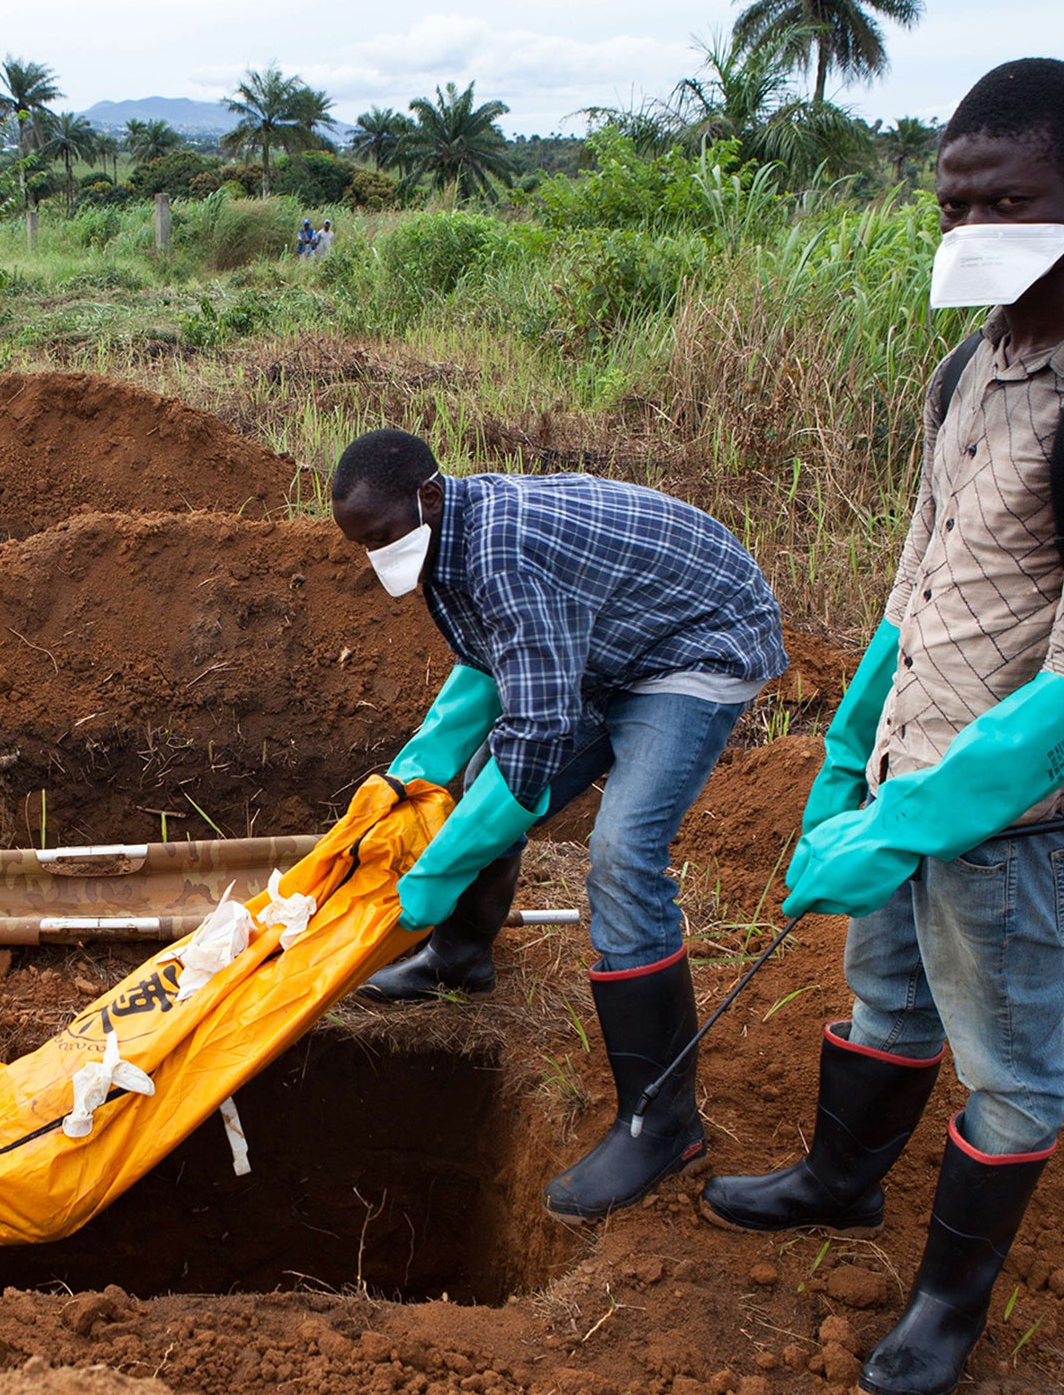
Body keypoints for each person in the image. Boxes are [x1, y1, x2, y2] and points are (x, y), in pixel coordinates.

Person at [701, 59, 1064, 1395]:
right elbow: (913, 588)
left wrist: (917, 822)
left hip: (1006, 816)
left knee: (1008, 1066)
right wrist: (843, 767)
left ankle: (944, 1309)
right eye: (956, 200)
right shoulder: (967, 364)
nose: (977, 225)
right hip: (905, 765)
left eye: (1014, 198)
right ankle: (837, 1183)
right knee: (888, 1000)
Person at [331, 429, 787, 1219]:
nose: (378, 556)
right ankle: (458, 961)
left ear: (429, 496)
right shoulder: (448, 535)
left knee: (622, 855)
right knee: (476, 782)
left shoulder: (504, 551)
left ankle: (661, 1123)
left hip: (696, 642)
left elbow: (536, 736)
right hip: (610, 641)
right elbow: (487, 670)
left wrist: (435, 872)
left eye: (382, 537)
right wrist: (409, 778)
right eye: (362, 546)